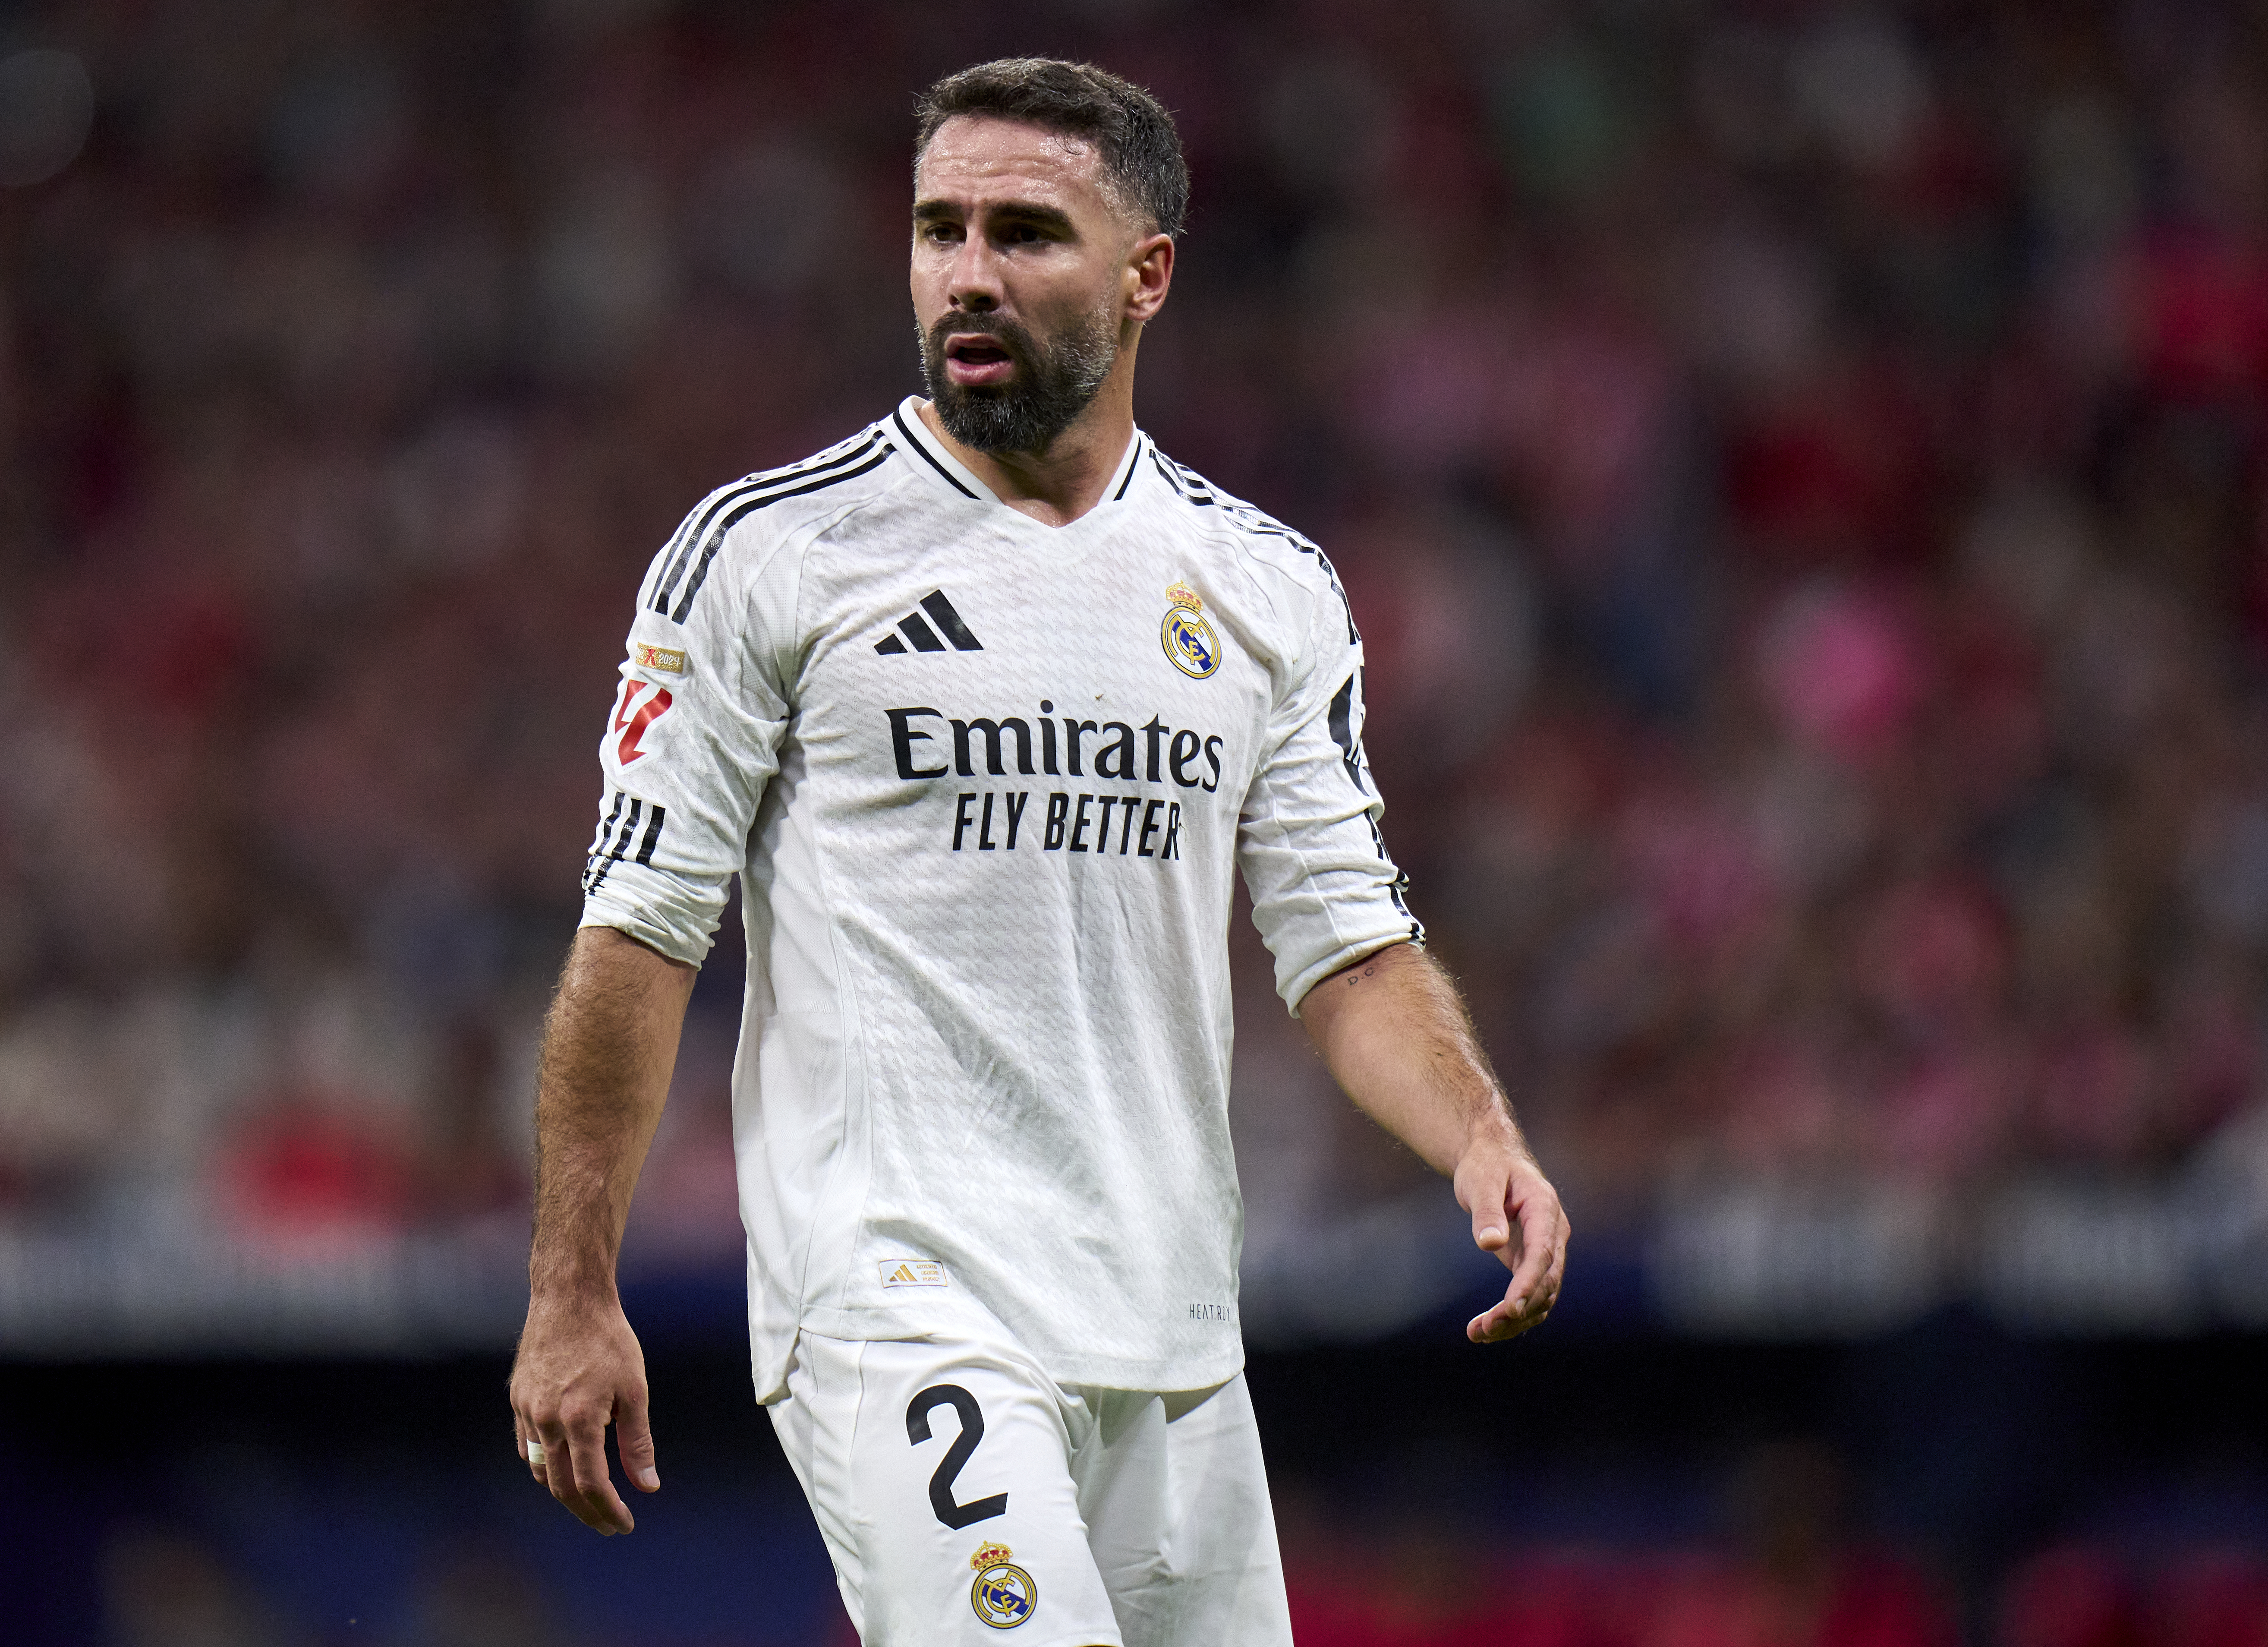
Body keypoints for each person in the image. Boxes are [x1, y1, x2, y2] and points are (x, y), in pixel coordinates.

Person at [508, 57, 1568, 1647]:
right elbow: (638, 935)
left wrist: (1475, 1130)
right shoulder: (771, 556)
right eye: (939, 229)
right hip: (902, 1300)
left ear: (1146, 275)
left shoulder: (1263, 587)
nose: (968, 273)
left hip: (1172, 1327)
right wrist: (570, 1287)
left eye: (1025, 232)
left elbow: (1344, 940)